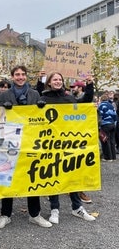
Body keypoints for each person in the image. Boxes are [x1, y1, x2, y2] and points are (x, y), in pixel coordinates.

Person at [0, 66, 52, 228]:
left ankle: (35, 214)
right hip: (10, 141)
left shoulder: (34, 94)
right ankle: (5, 215)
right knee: (8, 178)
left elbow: (42, 119)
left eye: (22, 75)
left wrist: (42, 107)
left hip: (30, 141)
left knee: (31, 177)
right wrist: (2, 108)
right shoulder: (5, 94)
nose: (20, 77)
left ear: (26, 76)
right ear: (12, 77)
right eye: (17, 75)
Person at [39, 72, 96, 224]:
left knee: (71, 176)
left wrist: (89, 85)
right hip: (51, 145)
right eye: (54, 79)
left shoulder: (69, 98)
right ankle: (54, 209)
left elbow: (85, 103)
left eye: (60, 79)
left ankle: (77, 207)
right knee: (53, 176)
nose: (58, 81)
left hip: (68, 144)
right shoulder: (43, 99)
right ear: (49, 82)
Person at [98, 93, 117, 161]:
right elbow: (115, 115)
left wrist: (99, 125)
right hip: (112, 124)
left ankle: (108, 157)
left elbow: (100, 116)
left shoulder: (101, 106)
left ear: (101, 99)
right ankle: (114, 157)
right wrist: (114, 122)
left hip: (105, 124)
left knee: (105, 140)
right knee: (112, 141)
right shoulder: (111, 105)